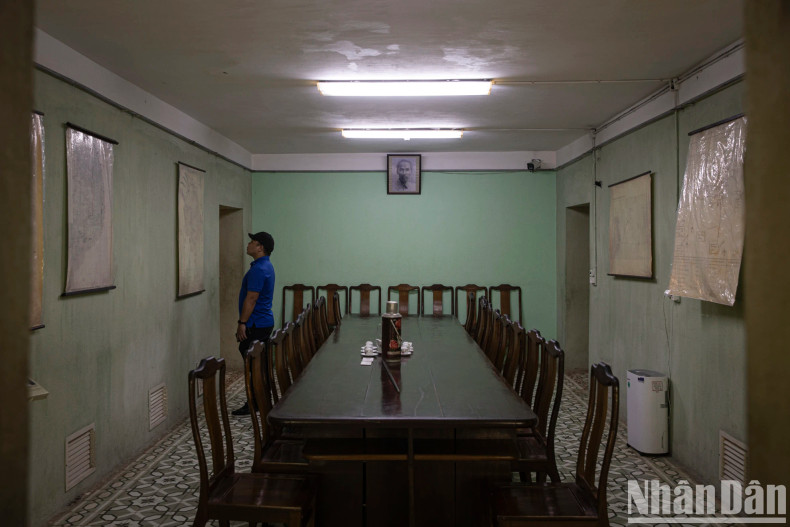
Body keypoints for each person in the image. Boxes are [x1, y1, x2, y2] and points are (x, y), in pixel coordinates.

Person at [232, 231, 275, 415]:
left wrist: (242, 322)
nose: (248, 244)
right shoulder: (265, 266)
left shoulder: (258, 269)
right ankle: (261, 399)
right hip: (263, 321)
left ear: (260, 247)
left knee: (252, 363)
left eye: (252, 242)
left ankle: (254, 402)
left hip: (256, 323)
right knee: (258, 363)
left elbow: (251, 298)